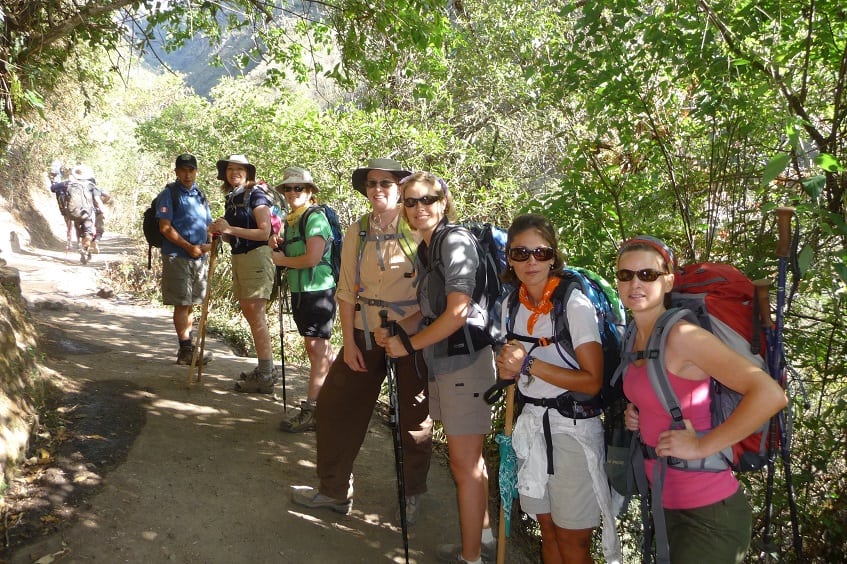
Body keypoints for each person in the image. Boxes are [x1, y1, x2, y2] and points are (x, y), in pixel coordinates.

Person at [617, 236, 787, 563]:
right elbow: (663, 392)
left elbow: (770, 395)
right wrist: (637, 412)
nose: (635, 283)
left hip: (709, 514)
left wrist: (700, 446)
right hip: (666, 506)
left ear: (668, 280)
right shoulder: (634, 336)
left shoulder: (684, 337)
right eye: (626, 275)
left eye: (647, 275)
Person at [292, 158, 432, 527]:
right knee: (335, 407)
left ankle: (412, 494)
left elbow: (437, 288)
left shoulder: (419, 226)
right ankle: (334, 490)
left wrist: (411, 332)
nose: (378, 189)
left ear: (401, 187)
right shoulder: (358, 230)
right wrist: (349, 341)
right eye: (372, 183)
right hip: (364, 330)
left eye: (387, 182)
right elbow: (346, 289)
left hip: (410, 336)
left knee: (413, 418)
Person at [377, 171, 496, 564]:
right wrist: (399, 329)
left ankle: (471, 558)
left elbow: (458, 312)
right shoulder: (430, 248)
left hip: (466, 365)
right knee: (469, 461)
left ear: (444, 202)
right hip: (449, 364)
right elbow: (433, 316)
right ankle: (482, 540)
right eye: (410, 202)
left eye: (428, 199)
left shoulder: (454, 241)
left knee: (463, 464)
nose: (419, 208)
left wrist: (407, 344)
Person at [494, 213, 621, 564]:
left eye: (540, 252)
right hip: (533, 425)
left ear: (553, 256)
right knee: (547, 531)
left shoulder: (574, 305)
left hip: (574, 431)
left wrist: (528, 364)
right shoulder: (510, 306)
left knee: (573, 542)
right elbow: (512, 370)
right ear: (509, 258)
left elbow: (591, 380)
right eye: (520, 253)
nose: (531, 261)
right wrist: (507, 367)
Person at [269, 166, 336, 432]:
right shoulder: (293, 219)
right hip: (303, 291)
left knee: (317, 348)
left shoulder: (314, 218)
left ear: (309, 192)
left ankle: (314, 409)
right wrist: (282, 246)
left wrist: (282, 259)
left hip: (318, 290)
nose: (293, 192)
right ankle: (332, 398)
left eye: (299, 188)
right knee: (318, 348)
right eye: (288, 188)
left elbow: (313, 258)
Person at [208, 154, 277, 393]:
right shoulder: (233, 198)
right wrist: (221, 233)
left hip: (256, 258)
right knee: (251, 314)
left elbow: (264, 232)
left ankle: (266, 375)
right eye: (230, 169)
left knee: (256, 316)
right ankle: (264, 369)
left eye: (240, 169)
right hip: (241, 258)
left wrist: (230, 228)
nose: (234, 172)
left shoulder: (256, 195)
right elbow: (234, 234)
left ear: (248, 173)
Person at [155, 153, 213, 366]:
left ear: (196, 172)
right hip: (177, 256)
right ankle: (185, 348)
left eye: (191, 170)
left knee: (191, 304)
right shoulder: (169, 194)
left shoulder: (200, 195)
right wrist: (189, 247)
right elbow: (165, 227)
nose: (187, 175)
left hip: (198, 257)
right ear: (177, 172)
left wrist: (210, 242)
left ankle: (187, 349)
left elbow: (208, 224)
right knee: (182, 303)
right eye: (183, 170)